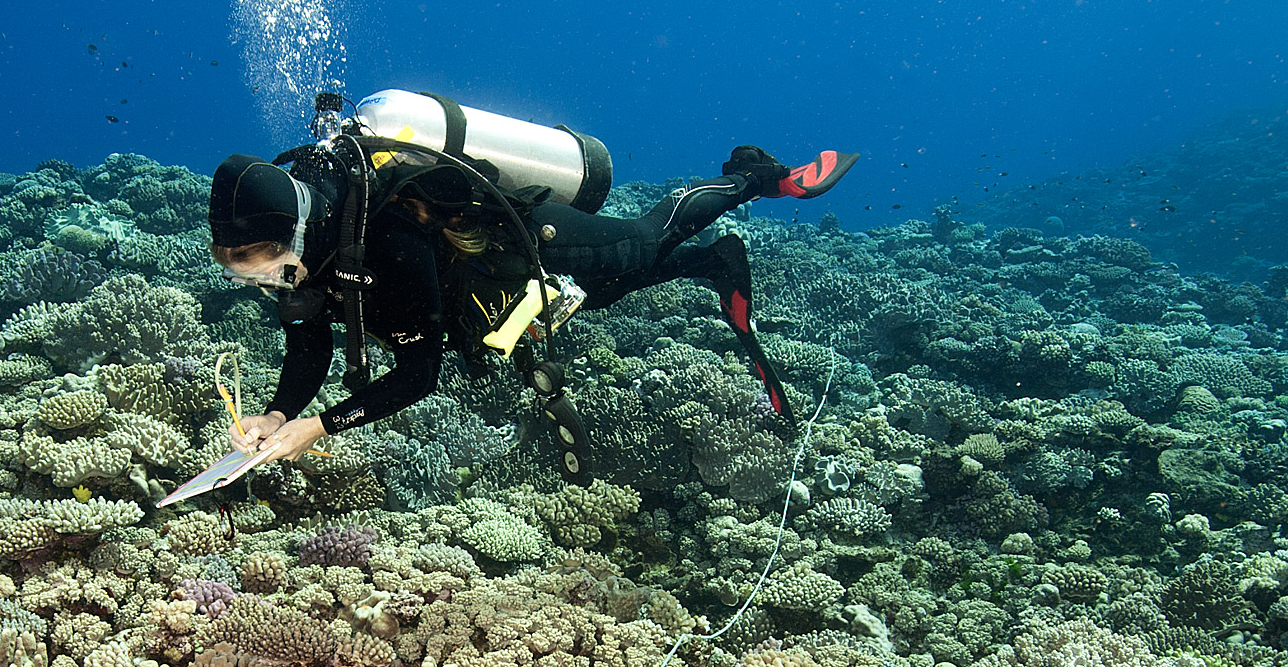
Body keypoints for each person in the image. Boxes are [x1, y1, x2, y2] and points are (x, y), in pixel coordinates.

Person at [207, 143, 855, 464]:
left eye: (262, 264)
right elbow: (310, 339)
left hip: (524, 239)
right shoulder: (303, 258)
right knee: (604, 294)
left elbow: (418, 374)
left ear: (294, 230)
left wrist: (317, 427)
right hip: (495, 288)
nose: (264, 283)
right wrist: (277, 411)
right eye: (240, 273)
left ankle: (752, 176)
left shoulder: (385, 237)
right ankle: (713, 263)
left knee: (639, 242)